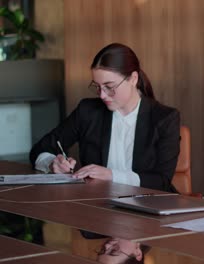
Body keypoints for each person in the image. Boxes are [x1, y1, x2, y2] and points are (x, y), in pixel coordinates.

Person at [30, 43, 180, 192]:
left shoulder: (165, 118)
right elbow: (40, 149)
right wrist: (52, 163)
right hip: (99, 205)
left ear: (133, 79)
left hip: (151, 206)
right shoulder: (88, 112)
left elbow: (162, 181)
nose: (102, 95)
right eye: (97, 86)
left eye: (109, 87)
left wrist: (112, 175)